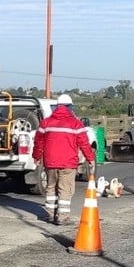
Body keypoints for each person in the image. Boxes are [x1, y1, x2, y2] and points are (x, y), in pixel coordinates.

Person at [33, 94, 95, 225]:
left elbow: (38, 143)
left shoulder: (46, 123)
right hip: (68, 163)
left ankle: (50, 215)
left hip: (50, 162)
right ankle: (63, 217)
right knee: (65, 189)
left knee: (51, 188)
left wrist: (37, 157)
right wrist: (90, 159)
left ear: (57, 106)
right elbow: (84, 143)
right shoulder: (76, 124)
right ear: (70, 107)